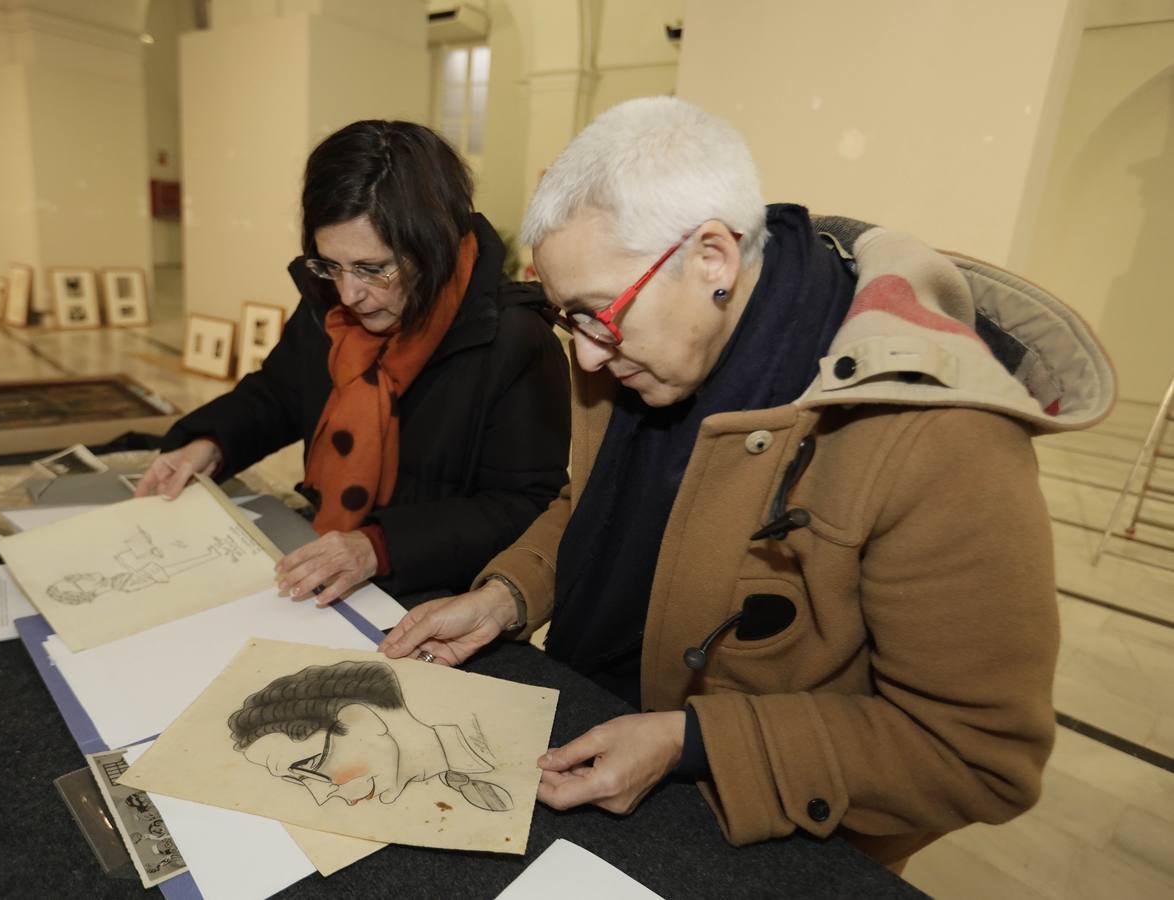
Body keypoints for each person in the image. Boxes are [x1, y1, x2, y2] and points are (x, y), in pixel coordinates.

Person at [381, 97, 1114, 867]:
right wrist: (507, 595)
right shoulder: (636, 351)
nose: (588, 357)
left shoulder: (940, 437)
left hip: (770, 837)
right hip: (595, 738)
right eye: (571, 320)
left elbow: (974, 755)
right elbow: (593, 507)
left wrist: (692, 742)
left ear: (712, 259)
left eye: (599, 315)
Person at [136, 121, 570, 606]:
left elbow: (525, 507)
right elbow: (281, 392)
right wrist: (212, 444)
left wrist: (378, 546)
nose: (348, 294)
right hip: (325, 562)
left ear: (434, 247)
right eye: (330, 265)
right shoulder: (332, 303)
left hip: (435, 598)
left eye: (371, 268)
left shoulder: (514, 341)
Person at [230, 660, 512, 811]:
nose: (320, 798)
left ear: (360, 718)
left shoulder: (491, 733)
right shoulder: (446, 780)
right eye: (298, 779)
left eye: (307, 766)